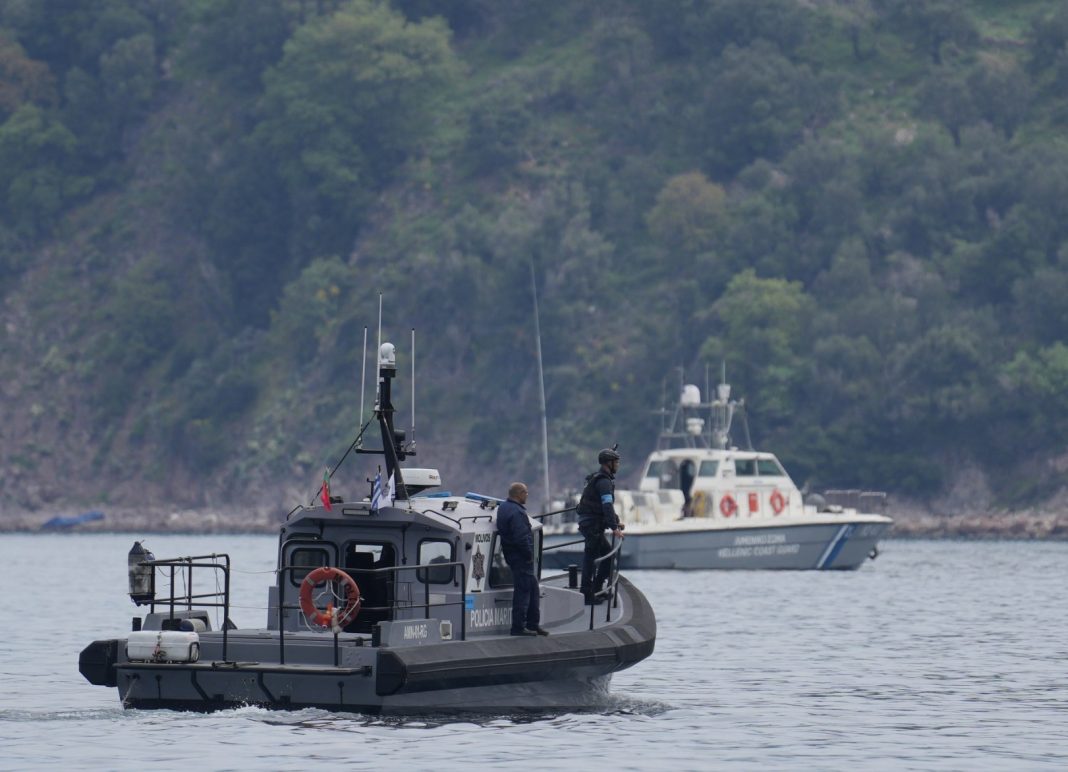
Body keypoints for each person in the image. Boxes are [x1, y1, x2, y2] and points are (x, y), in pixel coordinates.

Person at [496, 482, 549, 636]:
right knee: (523, 592)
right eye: (525, 492)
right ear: (518, 494)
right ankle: (518, 627)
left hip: (512, 555)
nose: (527, 495)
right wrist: (528, 555)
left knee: (533, 588)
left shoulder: (504, 507)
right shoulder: (517, 512)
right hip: (520, 558)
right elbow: (521, 538)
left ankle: (533, 624)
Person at [576, 448, 624, 604]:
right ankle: (587, 594)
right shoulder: (603, 482)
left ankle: (595, 590)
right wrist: (614, 528)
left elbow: (605, 507)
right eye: (616, 462)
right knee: (591, 559)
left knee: (607, 556)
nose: (617, 465)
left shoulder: (600, 478)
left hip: (591, 523)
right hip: (592, 525)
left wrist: (615, 522)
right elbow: (607, 506)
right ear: (608, 463)